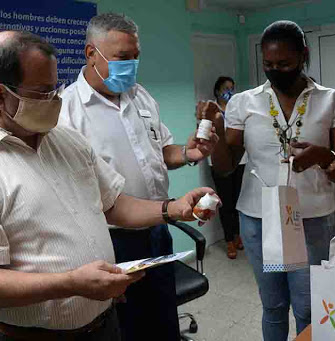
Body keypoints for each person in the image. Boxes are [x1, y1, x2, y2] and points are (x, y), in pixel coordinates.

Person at [0, 30, 217, 341]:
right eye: (43, 93)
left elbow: (113, 204)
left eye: (55, 89)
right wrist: (71, 283)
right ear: (0, 95)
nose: (54, 101)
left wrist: (174, 208)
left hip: (103, 324)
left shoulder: (64, 139)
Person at [58, 13, 218, 341]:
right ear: (91, 54)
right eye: (121, 58)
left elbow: (160, 153)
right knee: (124, 328)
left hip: (158, 231)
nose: (130, 66)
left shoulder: (140, 96)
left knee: (162, 321)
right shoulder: (67, 112)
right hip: (110, 240)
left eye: (135, 57)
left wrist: (189, 154)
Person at [200, 20, 335, 340]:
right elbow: (227, 167)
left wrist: (322, 157)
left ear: (304, 56)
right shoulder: (243, 102)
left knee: (308, 307)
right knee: (273, 306)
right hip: (258, 218)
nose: (275, 70)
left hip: (312, 219)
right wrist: (214, 135)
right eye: (268, 65)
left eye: (284, 63)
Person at [209, 76, 245, 259]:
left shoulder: (237, 108)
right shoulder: (211, 110)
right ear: (217, 91)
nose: (229, 92)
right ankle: (229, 240)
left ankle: (239, 235)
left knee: (238, 200)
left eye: (232, 88)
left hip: (240, 160)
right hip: (220, 162)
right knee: (226, 202)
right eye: (225, 88)